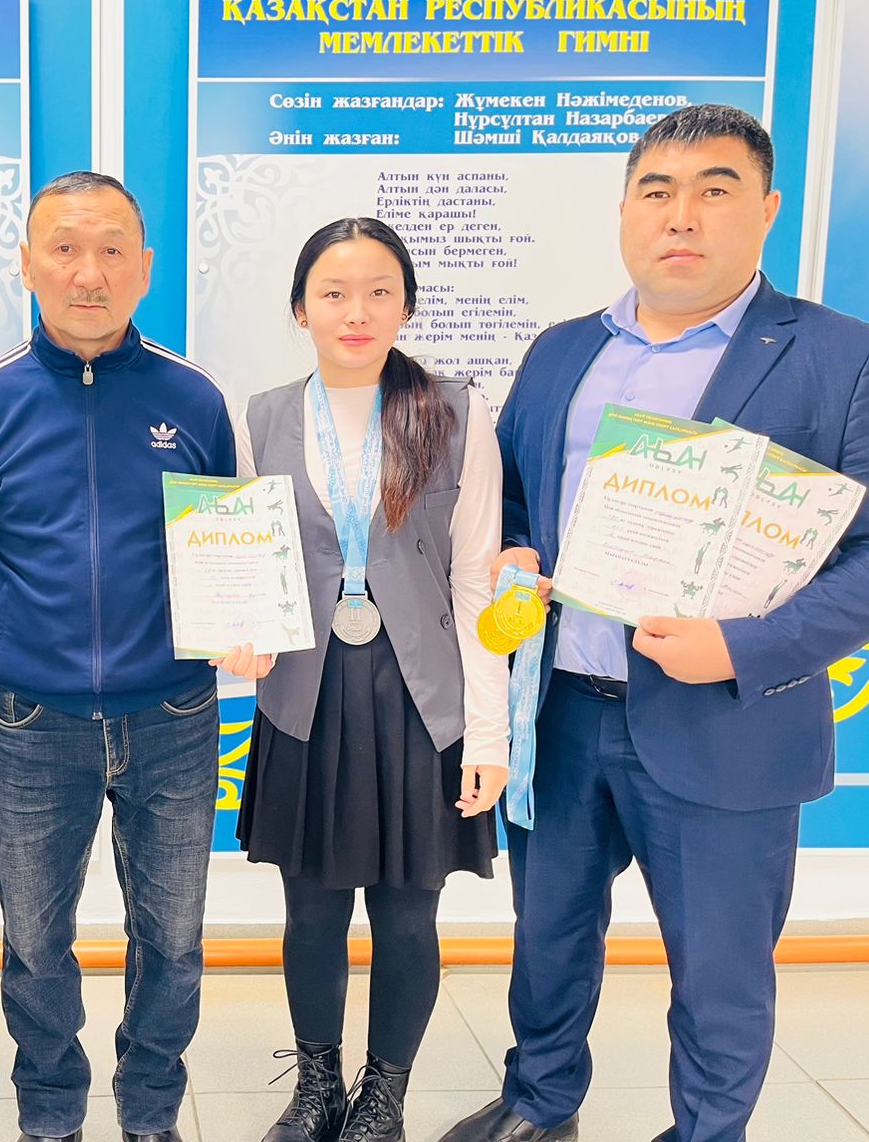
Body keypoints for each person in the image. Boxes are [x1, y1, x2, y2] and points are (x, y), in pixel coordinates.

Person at [438, 104, 869, 1142]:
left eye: (713, 190)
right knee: (547, 940)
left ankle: (707, 1131)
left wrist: (740, 647)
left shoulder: (849, 358)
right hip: (560, 712)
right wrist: (515, 551)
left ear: (766, 210)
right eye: (657, 191)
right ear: (625, 211)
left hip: (727, 719)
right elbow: (514, 499)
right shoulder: (562, 351)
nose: (680, 215)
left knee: (719, 970)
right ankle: (539, 1102)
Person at [0, 171, 236, 1142]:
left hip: (176, 714)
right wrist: (18, 643)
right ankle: (51, 1112)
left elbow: (224, 545)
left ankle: (150, 1110)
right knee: (34, 940)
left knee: (174, 940)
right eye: (64, 248)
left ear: (144, 268)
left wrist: (235, 625)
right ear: (27, 264)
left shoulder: (195, 397)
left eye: (112, 250)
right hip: (33, 721)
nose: (88, 272)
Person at [224, 218, 507, 1142]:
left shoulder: (455, 412)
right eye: (334, 293)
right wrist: (237, 632)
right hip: (303, 696)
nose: (357, 311)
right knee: (310, 910)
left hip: (421, 701)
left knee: (407, 915)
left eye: (380, 291)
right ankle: (317, 1087)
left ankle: (383, 1095)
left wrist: (489, 732)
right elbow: (245, 559)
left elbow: (476, 579)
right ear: (300, 307)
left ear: (407, 305)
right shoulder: (262, 416)